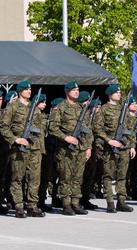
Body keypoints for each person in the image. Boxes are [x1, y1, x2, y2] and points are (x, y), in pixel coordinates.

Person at [0, 80, 45, 218]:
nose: (29, 91)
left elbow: (40, 129)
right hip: (19, 148)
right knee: (17, 178)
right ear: (20, 91)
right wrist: (15, 139)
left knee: (34, 178)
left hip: (35, 148)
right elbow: (4, 127)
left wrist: (41, 149)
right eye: (26, 89)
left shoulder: (34, 107)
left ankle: (32, 205)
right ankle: (19, 206)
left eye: (30, 89)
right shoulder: (12, 107)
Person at [49, 81, 92, 216]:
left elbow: (87, 130)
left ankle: (75, 202)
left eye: (78, 89)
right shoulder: (60, 108)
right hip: (65, 149)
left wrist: (88, 147)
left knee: (78, 177)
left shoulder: (81, 109)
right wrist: (66, 137)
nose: (77, 91)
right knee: (65, 177)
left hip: (80, 148)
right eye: (74, 90)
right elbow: (52, 128)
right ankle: (66, 204)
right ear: (67, 92)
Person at [94, 84, 136, 213]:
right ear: (110, 94)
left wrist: (132, 145)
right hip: (110, 148)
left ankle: (121, 201)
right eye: (116, 92)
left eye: (119, 92)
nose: (119, 94)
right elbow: (97, 128)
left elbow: (130, 129)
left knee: (122, 176)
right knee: (108, 176)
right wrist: (109, 140)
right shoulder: (103, 109)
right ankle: (110, 202)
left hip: (124, 147)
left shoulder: (123, 109)